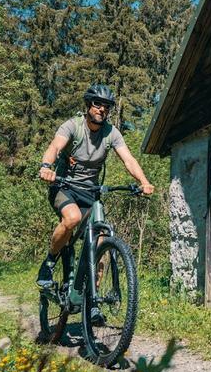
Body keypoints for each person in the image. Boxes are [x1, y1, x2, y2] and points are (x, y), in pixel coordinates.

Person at [36, 84, 154, 294]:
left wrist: (144, 182)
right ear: (88, 105)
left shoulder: (111, 133)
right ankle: (49, 262)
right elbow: (54, 147)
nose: (102, 109)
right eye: (97, 104)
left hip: (90, 192)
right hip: (65, 186)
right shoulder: (73, 126)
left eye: (107, 106)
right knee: (71, 218)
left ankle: (93, 300)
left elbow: (129, 159)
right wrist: (46, 167)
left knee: (100, 244)